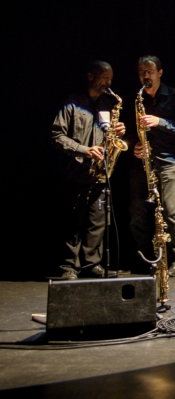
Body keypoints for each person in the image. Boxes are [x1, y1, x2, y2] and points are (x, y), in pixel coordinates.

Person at [49, 60, 127, 280]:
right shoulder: (72, 103)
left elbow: (110, 134)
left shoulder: (108, 104)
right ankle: (68, 266)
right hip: (75, 171)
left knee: (98, 220)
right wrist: (84, 150)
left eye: (111, 78)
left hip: (100, 172)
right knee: (73, 221)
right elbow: (57, 136)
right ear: (91, 76)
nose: (108, 83)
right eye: (104, 77)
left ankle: (91, 263)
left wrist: (119, 130)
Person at [128, 55, 175, 277]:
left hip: (169, 161)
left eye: (149, 71)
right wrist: (134, 146)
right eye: (141, 72)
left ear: (160, 73)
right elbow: (129, 133)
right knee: (137, 212)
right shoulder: (138, 99)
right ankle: (146, 259)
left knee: (171, 211)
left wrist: (160, 122)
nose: (145, 76)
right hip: (144, 162)